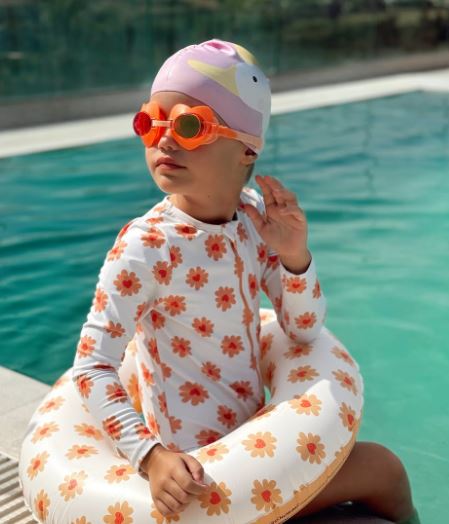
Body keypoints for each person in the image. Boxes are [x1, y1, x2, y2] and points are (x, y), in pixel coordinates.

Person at [72, 38, 420, 524]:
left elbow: (303, 329)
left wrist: (294, 256)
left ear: (247, 149)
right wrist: (151, 457)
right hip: (195, 475)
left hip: (256, 443)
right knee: (383, 471)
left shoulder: (254, 219)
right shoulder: (146, 246)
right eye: (151, 122)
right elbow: (92, 367)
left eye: (188, 125)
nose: (164, 140)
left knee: (386, 469)